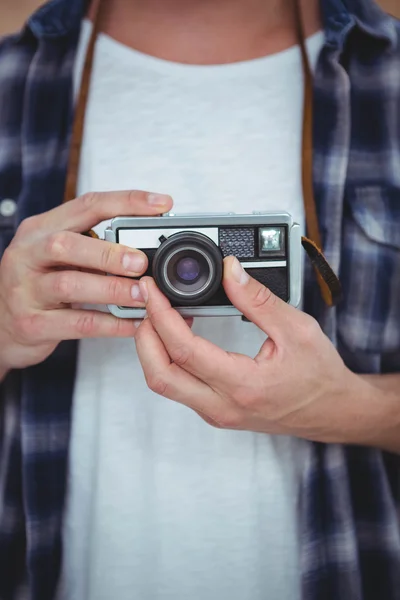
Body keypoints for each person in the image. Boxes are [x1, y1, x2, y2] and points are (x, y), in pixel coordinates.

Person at [0, 0, 399, 599]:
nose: (190, 269)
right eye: (176, 256)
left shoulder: (389, 80)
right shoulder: (10, 80)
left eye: (194, 259)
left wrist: (346, 406)